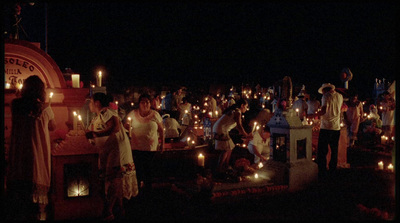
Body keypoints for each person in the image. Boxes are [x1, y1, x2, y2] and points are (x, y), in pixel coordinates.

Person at [6, 75, 57, 220]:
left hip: (19, 154)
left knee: (20, 201)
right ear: (41, 91)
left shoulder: (15, 106)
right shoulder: (45, 108)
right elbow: (53, 127)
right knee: (37, 201)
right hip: (37, 155)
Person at [86, 92, 138, 220]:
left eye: (91, 102)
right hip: (110, 151)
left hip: (117, 151)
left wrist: (97, 134)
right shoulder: (98, 117)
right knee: (113, 179)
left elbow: (114, 126)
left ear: (97, 103)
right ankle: (119, 208)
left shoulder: (107, 112)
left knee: (114, 178)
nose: (89, 105)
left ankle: (109, 210)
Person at [125, 93, 164, 195]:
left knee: (148, 169)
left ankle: (148, 191)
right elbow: (126, 127)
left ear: (150, 103)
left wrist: (162, 144)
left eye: (147, 102)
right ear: (139, 104)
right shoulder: (132, 114)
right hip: (136, 147)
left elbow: (161, 130)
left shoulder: (155, 115)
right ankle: (137, 190)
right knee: (137, 169)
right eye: (143, 102)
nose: (145, 104)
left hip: (150, 148)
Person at [212, 98, 252, 173]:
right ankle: (219, 168)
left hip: (221, 129)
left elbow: (236, 127)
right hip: (221, 130)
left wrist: (243, 134)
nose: (246, 109)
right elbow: (239, 126)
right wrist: (246, 135)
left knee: (230, 147)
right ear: (242, 105)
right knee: (226, 149)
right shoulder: (238, 112)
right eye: (246, 106)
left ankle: (225, 166)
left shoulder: (235, 111)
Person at [315, 83, 343, 180]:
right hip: (336, 127)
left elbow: (323, 111)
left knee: (322, 150)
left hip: (326, 127)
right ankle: (332, 169)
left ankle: (322, 170)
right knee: (334, 149)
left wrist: (313, 115)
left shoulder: (325, 96)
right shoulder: (340, 96)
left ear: (324, 90)